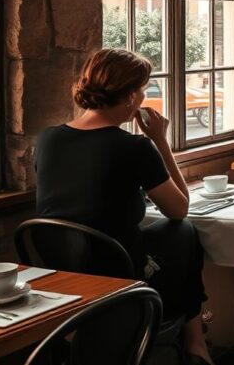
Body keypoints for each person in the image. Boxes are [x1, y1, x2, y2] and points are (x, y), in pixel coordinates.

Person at [34, 48, 212, 365]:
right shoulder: (134, 147)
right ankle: (196, 343)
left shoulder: (48, 139)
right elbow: (180, 208)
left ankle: (193, 341)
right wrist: (160, 141)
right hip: (120, 280)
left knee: (171, 239)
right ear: (130, 96)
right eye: (143, 89)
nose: (144, 97)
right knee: (183, 232)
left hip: (62, 277)